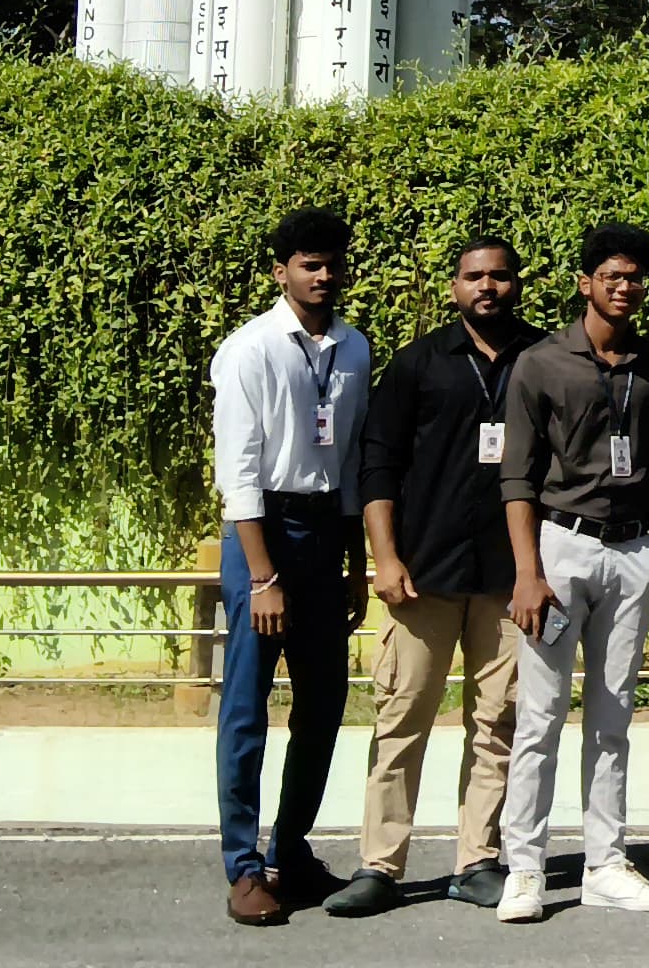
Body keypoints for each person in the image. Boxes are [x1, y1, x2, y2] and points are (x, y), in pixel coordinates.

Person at [333, 236, 534, 917]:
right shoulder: (417, 363)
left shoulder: (540, 358)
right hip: (424, 574)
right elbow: (378, 466)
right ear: (454, 287)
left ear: (516, 284)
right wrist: (385, 558)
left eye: (500, 276)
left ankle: (478, 860)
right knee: (401, 720)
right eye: (474, 277)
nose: (488, 287)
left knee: (498, 723)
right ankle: (379, 865)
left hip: (509, 579)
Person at [498, 222, 649, 919]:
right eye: (611, 276)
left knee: (612, 718)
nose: (624, 287)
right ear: (585, 283)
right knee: (539, 716)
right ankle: (524, 869)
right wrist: (528, 572)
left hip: (633, 554)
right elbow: (517, 476)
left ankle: (606, 861)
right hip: (561, 548)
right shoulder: (542, 363)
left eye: (634, 277)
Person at [209, 206, 372, 927]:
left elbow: (352, 459)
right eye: (309, 264)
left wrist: (357, 563)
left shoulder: (354, 347)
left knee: (323, 703)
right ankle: (244, 868)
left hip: (326, 532)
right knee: (247, 708)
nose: (323, 275)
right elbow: (239, 471)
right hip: (264, 535)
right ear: (281, 272)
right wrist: (263, 577)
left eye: (333, 263)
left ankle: (290, 849)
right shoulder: (249, 350)